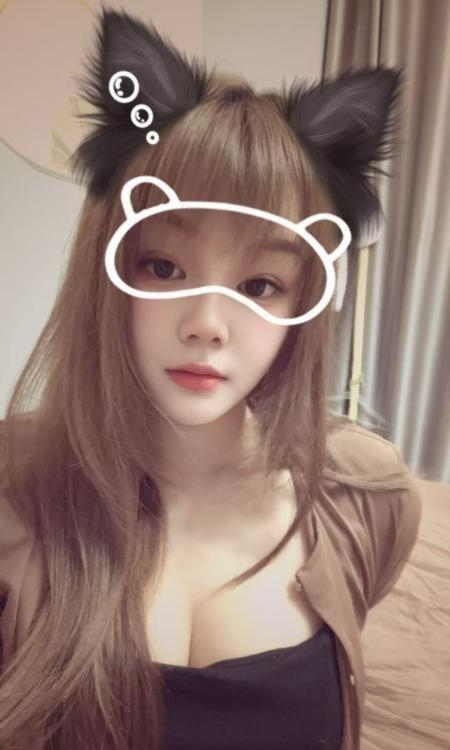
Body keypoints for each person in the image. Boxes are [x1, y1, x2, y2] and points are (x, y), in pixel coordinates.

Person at [0, 9, 422, 750]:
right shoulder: (13, 487)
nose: (206, 323)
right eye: (164, 267)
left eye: (260, 285)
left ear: (304, 302)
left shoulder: (368, 498)